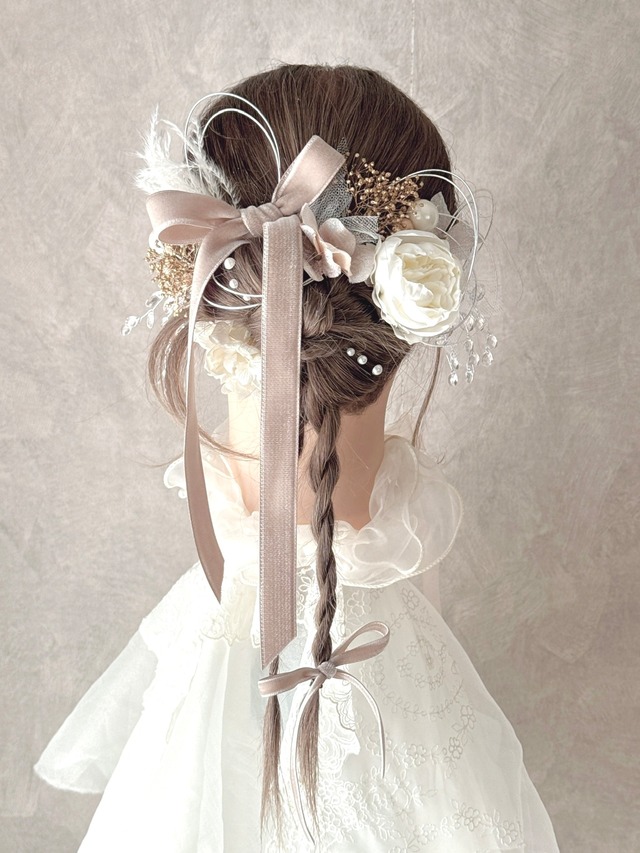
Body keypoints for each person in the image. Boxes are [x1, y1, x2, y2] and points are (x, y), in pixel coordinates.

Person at [33, 64, 561, 852]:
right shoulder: (368, 334)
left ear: (211, 296)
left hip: (244, 620)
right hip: (364, 630)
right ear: (420, 296)